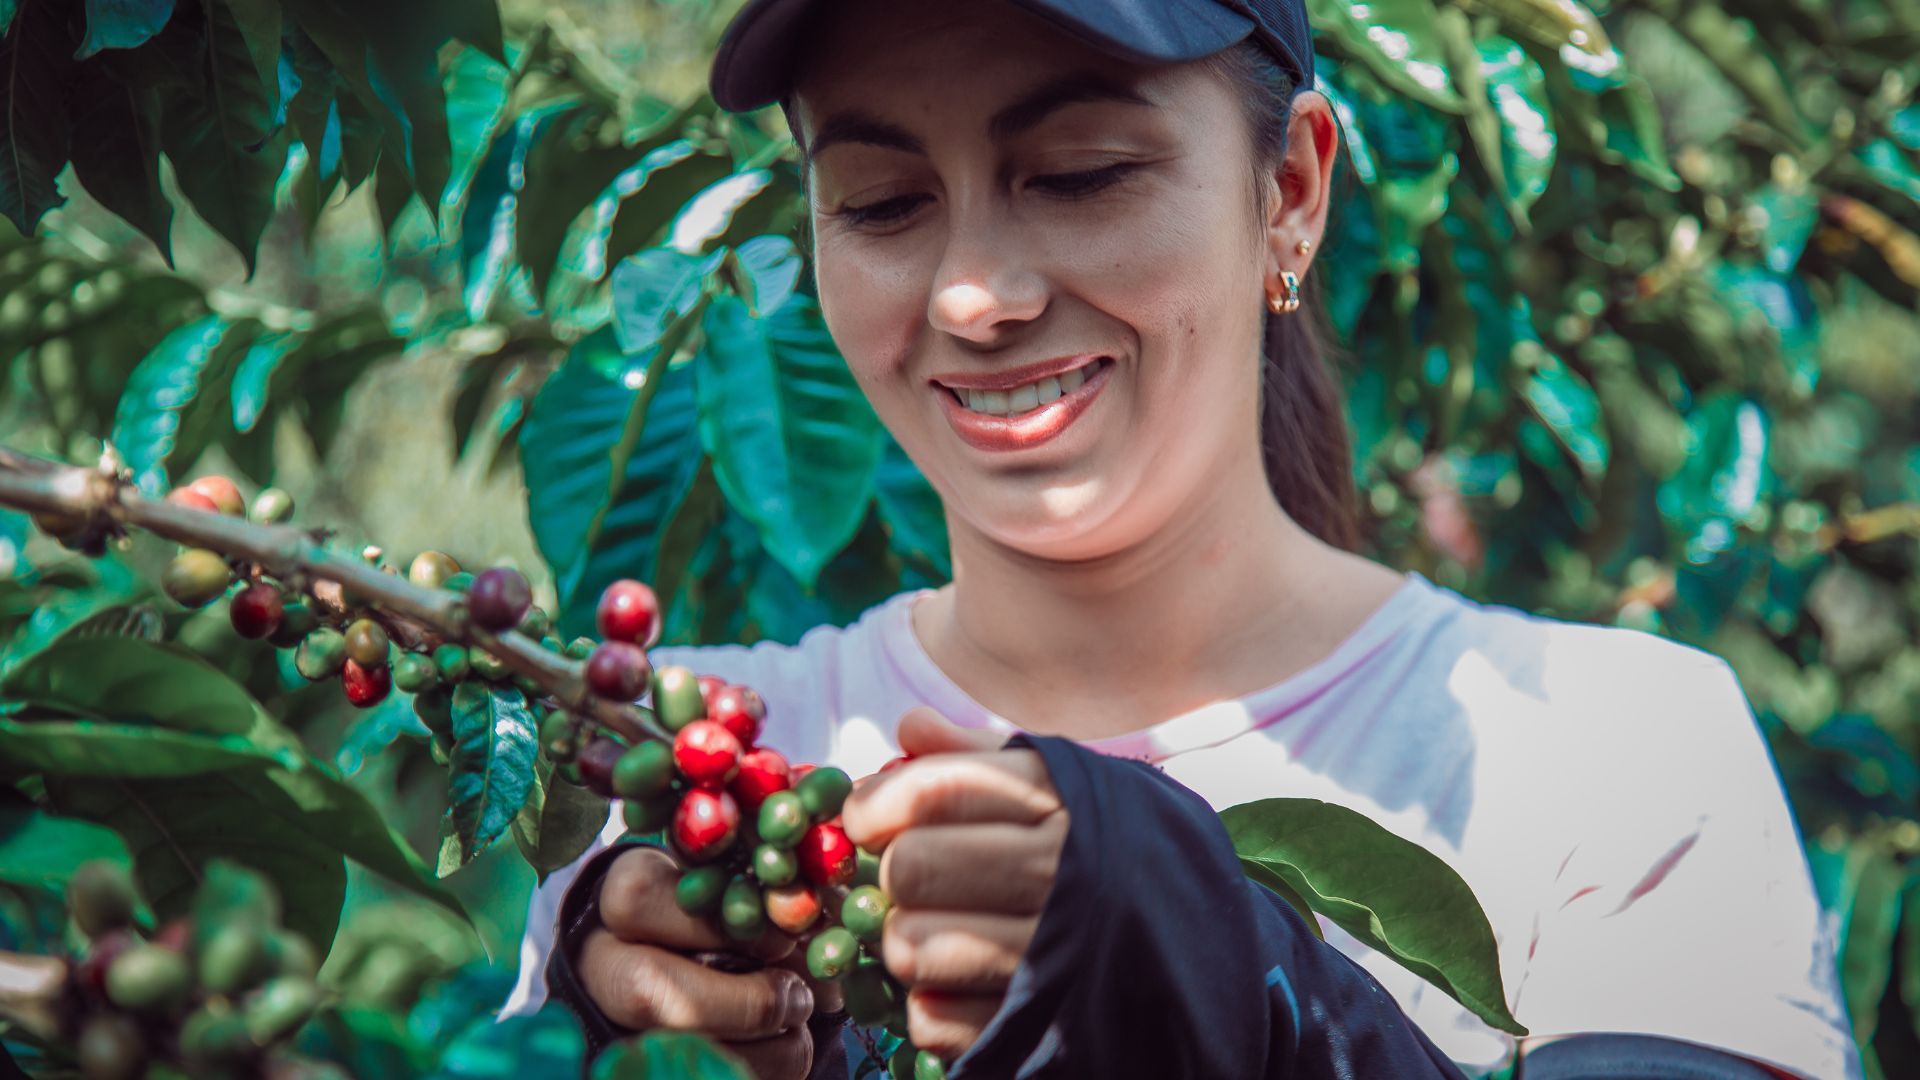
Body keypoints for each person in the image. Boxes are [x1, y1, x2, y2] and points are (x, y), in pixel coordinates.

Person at [503, 1, 1862, 1077]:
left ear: (1289, 191)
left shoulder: (1614, 753)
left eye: (1082, 174)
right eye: (880, 202)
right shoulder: (696, 767)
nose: (976, 293)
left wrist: (1220, 973)